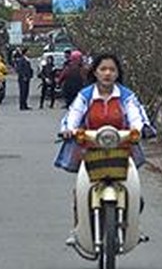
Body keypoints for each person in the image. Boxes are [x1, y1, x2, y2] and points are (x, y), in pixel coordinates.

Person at [55, 53, 150, 245]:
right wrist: (68, 130)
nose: (107, 73)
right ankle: (77, 229)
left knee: (134, 191)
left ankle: (133, 227)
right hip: (90, 151)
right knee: (80, 190)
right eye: (103, 69)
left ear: (117, 73)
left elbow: (136, 117)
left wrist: (139, 129)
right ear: (95, 72)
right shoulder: (86, 95)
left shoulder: (126, 96)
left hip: (123, 150)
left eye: (112, 70)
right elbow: (73, 115)